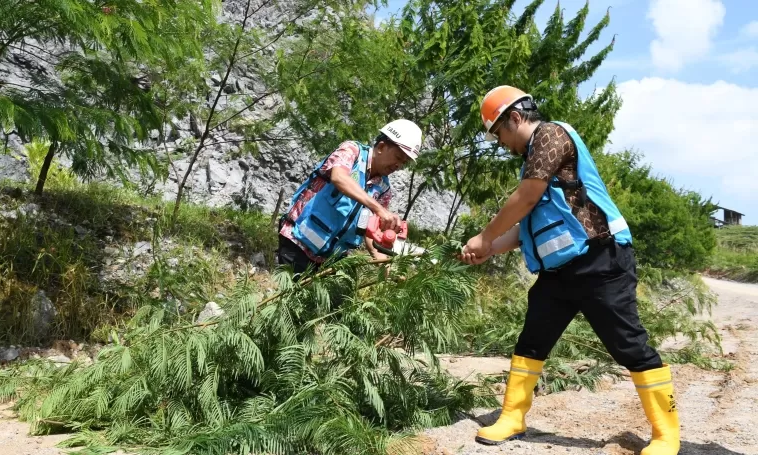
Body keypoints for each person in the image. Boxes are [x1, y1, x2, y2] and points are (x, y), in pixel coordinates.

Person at [458, 85, 679, 455]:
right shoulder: (533, 160)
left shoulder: (551, 134)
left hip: (601, 260)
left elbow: (526, 197)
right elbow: (529, 224)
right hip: (558, 273)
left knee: (629, 346)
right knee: (532, 341)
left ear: (514, 118)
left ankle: (666, 434)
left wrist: (483, 235)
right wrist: (488, 248)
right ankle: (513, 417)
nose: (500, 143)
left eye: (499, 134)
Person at [277, 119, 423, 276]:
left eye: (404, 162)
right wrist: (378, 208)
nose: (398, 165)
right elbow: (339, 178)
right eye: (398, 157)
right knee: (291, 297)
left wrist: (383, 264)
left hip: (330, 259)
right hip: (298, 241)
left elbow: (371, 231)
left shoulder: (383, 190)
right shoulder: (352, 152)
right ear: (381, 147)